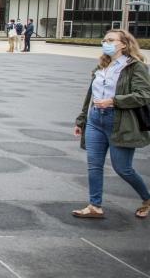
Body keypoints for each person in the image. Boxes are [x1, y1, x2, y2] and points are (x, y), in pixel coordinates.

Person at [72, 29, 150, 220]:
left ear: (124, 44)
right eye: (104, 39)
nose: (105, 42)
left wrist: (114, 101)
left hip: (119, 121)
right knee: (94, 165)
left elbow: (143, 95)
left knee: (123, 168)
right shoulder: (101, 66)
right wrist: (82, 120)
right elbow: (90, 96)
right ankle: (95, 205)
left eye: (111, 40)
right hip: (95, 120)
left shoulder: (135, 67)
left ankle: (147, 198)